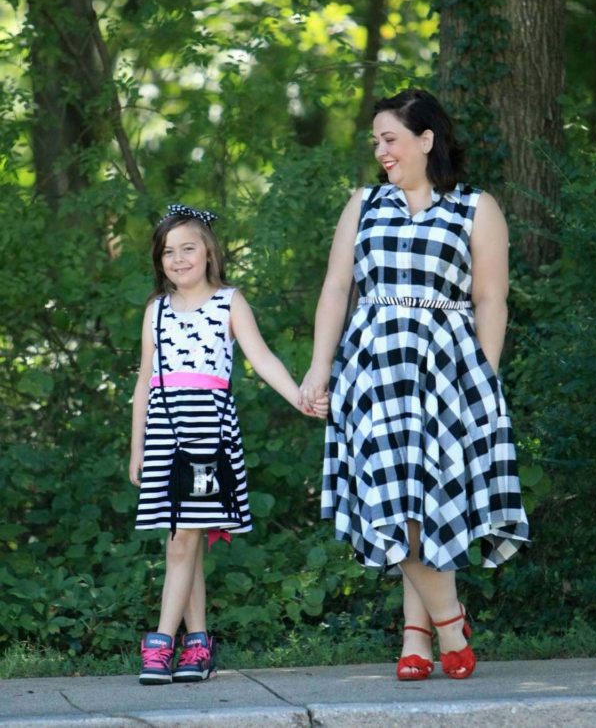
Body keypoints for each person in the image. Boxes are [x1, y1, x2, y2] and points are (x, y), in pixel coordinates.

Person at [300, 89, 529, 680]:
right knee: (392, 498)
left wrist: (483, 379)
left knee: (427, 504)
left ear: (426, 140)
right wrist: (318, 368)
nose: (380, 151)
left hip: (448, 373)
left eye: (390, 138)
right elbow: (335, 290)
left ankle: (414, 642)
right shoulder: (364, 203)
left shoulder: (476, 207)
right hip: (373, 369)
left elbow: (490, 299)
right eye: (376, 141)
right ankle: (451, 625)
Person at [129, 203, 327, 685]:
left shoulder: (229, 301)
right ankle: (197, 646)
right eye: (168, 253)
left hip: (207, 436)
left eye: (187, 249)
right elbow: (143, 382)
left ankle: (160, 644)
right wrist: (136, 447)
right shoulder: (155, 310)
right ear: (159, 261)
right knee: (184, 541)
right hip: (164, 433)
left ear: (208, 252)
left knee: (183, 540)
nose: (178, 260)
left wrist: (300, 396)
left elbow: (261, 358)